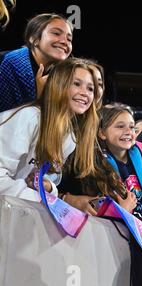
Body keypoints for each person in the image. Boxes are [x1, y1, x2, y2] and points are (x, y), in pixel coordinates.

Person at [60, 103, 142, 286]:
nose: (129, 131)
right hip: (118, 236)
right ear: (101, 133)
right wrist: (121, 211)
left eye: (132, 127)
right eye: (120, 126)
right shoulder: (89, 163)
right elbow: (85, 202)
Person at [0, 57, 99, 201]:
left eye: (90, 88)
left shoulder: (70, 137)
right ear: (58, 85)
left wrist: (49, 188)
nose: (85, 93)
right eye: (77, 84)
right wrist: (41, 200)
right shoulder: (30, 118)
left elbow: (45, 177)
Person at [0, 13, 73, 112]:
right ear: (34, 38)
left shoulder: (62, 75)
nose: (65, 41)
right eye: (56, 33)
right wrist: (39, 97)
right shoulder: (10, 64)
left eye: (69, 39)